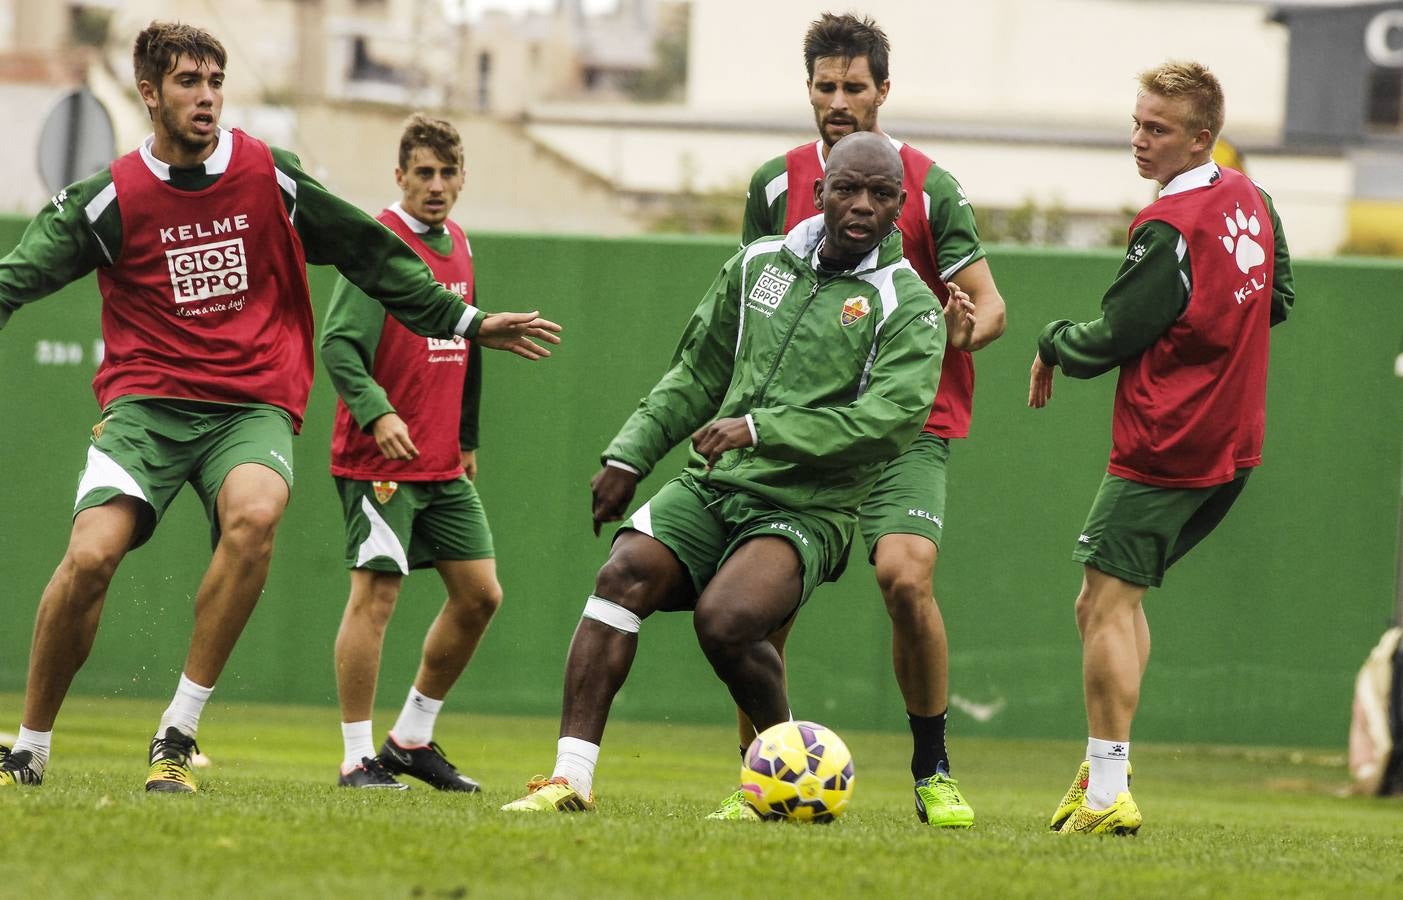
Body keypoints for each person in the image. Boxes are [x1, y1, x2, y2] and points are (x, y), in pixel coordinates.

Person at [0, 22, 559, 793]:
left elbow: (370, 250)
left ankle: (178, 732)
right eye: (188, 83)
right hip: (147, 405)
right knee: (92, 555)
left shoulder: (270, 175)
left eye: (214, 81)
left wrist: (465, 321)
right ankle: (27, 747)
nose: (205, 98)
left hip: (249, 405)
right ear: (150, 93)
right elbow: (15, 278)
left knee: (256, 515)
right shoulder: (112, 197)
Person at [500, 131, 948, 814]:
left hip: (806, 506)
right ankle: (570, 778)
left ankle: (784, 777)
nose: (862, 205)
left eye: (880, 194)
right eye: (848, 187)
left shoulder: (907, 303)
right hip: (713, 485)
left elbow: (888, 420)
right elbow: (698, 372)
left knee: (727, 620)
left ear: (900, 204)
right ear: (821, 188)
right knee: (620, 577)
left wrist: (763, 428)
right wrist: (629, 454)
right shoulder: (757, 263)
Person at [721, 12, 1006, 827]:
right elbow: (750, 301)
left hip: (905, 428)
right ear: (807, 89)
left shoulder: (929, 184)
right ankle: (761, 779)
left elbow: (990, 307)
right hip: (795, 432)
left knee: (906, 578)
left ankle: (931, 771)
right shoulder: (774, 186)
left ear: (884, 90)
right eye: (825, 86)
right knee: (758, 610)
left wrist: (965, 329)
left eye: (854, 86)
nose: (838, 100)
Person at [1029, 61, 1294, 834]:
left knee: (1103, 604)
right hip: (1233, 444)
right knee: (1109, 601)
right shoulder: (1251, 197)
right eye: (1137, 123)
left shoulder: (1165, 227)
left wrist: (1049, 343)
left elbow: (1110, 336)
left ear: (1199, 138)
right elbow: (1274, 299)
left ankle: (1108, 794)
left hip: (1167, 444)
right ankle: (1107, 774)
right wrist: (1215, 344)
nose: (1139, 141)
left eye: (1158, 129)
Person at [322, 113, 500, 791]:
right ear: (399, 176)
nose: (435, 185)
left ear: (461, 179)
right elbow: (338, 344)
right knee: (377, 596)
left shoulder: (458, 241)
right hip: (379, 461)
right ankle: (355, 757)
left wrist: (467, 436)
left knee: (480, 595)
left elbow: (468, 340)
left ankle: (411, 738)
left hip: (440, 460)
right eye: (422, 172)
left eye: (447, 172)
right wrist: (378, 412)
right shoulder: (379, 243)